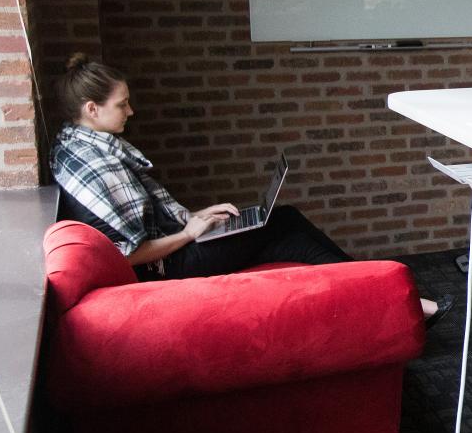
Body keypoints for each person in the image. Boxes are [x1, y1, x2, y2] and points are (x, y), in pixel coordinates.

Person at [51, 54, 442, 320]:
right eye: (122, 104)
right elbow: (130, 254)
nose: (131, 111)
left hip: (174, 249)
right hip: (170, 267)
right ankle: (392, 298)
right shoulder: (97, 165)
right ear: (91, 109)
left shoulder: (79, 146)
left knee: (282, 235)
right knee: (284, 223)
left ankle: (388, 300)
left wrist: (197, 217)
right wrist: (190, 231)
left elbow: (143, 221)